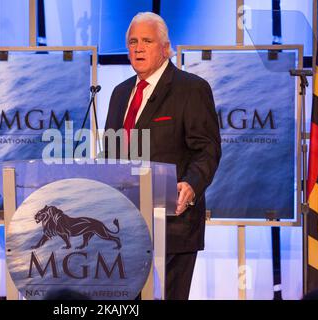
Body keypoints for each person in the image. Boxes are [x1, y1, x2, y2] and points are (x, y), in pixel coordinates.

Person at [104, 12, 221, 300]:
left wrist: (191, 185)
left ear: (165, 47)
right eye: (132, 41)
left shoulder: (191, 88)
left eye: (147, 41)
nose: (138, 48)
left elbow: (207, 149)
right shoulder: (119, 94)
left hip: (172, 226)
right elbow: (110, 154)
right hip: (125, 228)